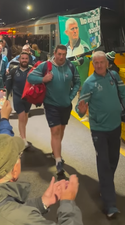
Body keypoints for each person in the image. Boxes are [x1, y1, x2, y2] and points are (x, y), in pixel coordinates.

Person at [0, 100, 83, 225]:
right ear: (14, 171)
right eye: (19, 157)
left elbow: (10, 207)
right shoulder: (22, 219)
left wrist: (42, 202)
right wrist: (68, 204)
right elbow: (15, 215)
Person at [76, 51, 125, 217]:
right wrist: (80, 111)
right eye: (96, 63)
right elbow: (80, 108)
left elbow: (124, 95)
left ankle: (105, 185)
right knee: (104, 163)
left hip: (115, 127)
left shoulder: (114, 76)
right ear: (93, 64)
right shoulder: (89, 83)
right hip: (99, 129)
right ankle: (110, 205)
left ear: (107, 63)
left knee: (113, 160)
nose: (99, 65)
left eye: (102, 62)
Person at [28, 44, 81, 175]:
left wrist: (71, 97)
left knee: (61, 130)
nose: (62, 57)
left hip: (66, 105)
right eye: (59, 54)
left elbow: (78, 82)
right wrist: (43, 79)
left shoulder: (70, 66)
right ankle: (58, 161)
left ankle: (55, 151)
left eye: (64, 54)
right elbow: (30, 77)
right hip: (51, 105)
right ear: (55, 53)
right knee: (55, 131)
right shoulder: (46, 66)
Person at [5, 52, 33, 148]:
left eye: (26, 58)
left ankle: (22, 133)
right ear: (19, 60)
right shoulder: (13, 71)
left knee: (25, 116)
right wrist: (6, 99)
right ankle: (23, 139)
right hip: (17, 97)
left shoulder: (32, 71)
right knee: (21, 116)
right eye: (23, 58)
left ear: (28, 60)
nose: (24, 60)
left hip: (28, 98)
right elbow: (8, 86)